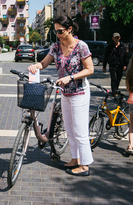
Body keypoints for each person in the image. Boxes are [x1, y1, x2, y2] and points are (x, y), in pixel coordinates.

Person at [28, 15, 94, 176]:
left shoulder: (81, 46)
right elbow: (44, 63)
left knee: (80, 130)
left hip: (79, 92)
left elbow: (90, 69)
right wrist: (35, 66)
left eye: (60, 31)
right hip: (65, 93)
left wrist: (70, 77)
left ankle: (84, 165)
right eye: (55, 31)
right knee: (70, 129)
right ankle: (74, 158)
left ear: (69, 29)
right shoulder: (56, 46)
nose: (57, 34)